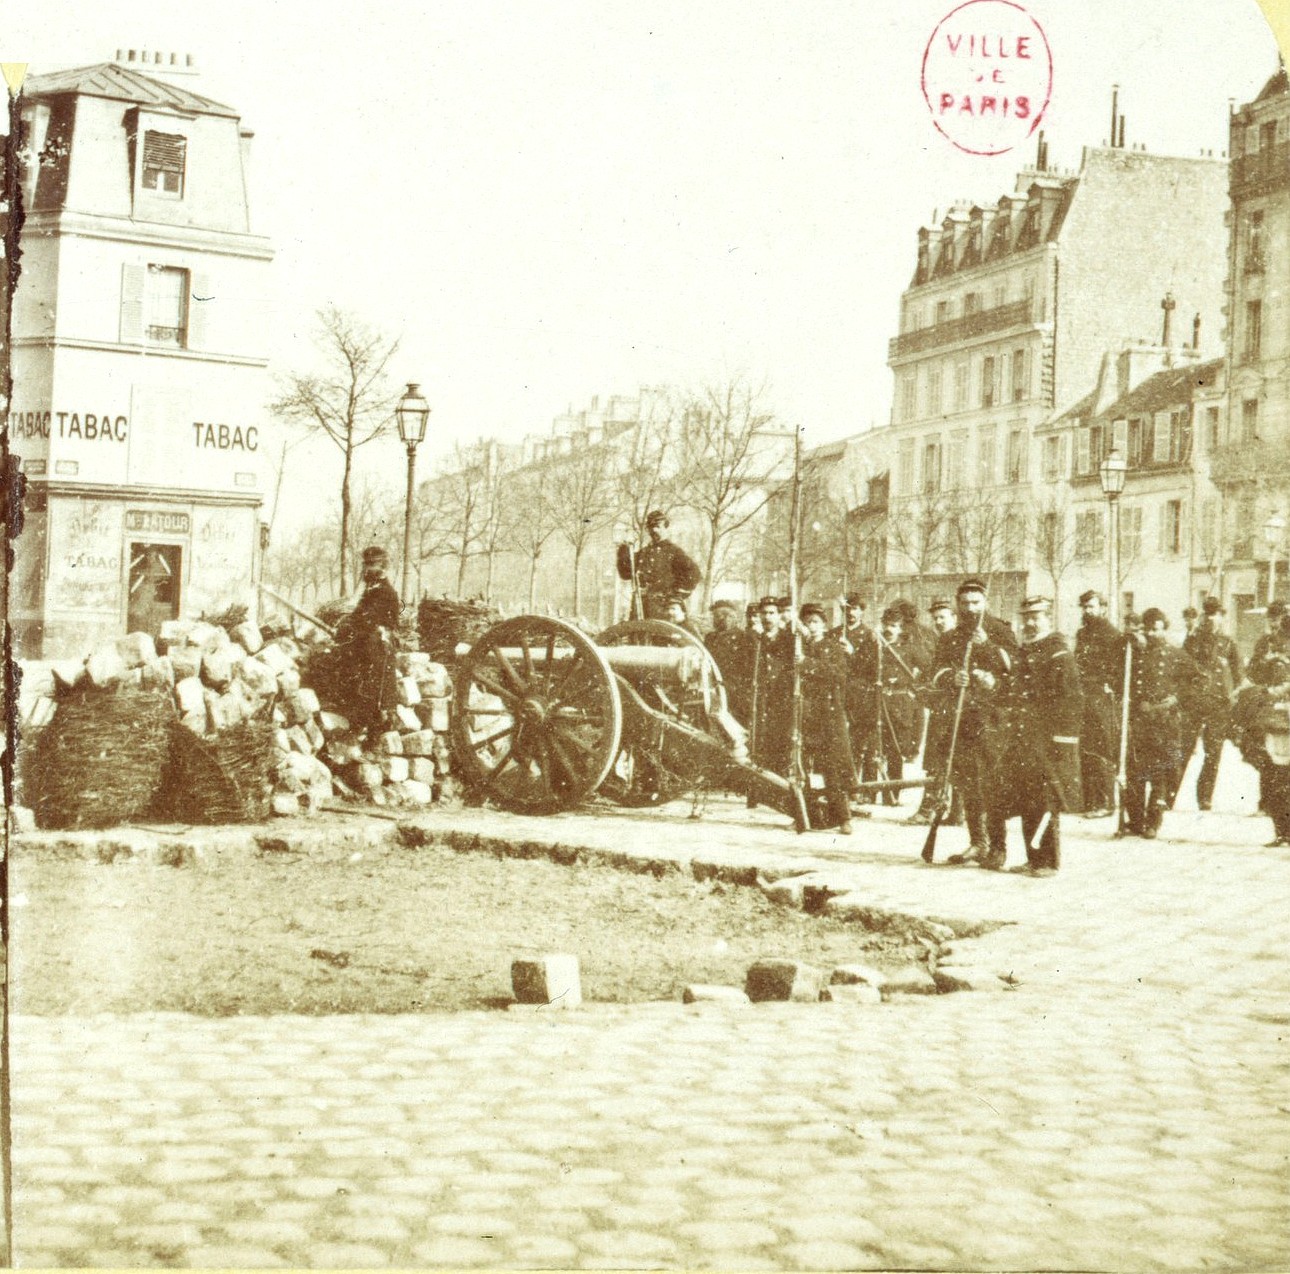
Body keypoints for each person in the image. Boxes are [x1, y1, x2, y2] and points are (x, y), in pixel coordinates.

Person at [932, 579, 1017, 868]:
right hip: (961, 718)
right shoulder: (950, 637)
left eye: (975, 603)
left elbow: (1016, 669)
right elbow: (936, 672)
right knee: (967, 782)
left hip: (992, 720)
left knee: (992, 784)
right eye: (965, 603)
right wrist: (952, 677)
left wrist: (990, 648)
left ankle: (998, 846)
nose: (970, 609)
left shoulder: (1000, 631)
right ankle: (977, 842)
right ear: (958, 604)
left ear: (986, 603)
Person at [1001, 597, 1082, 876]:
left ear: (1049, 618)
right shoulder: (1025, 651)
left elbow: (1071, 701)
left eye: (1036, 617)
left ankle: (1048, 861)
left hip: (1048, 739)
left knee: (1046, 798)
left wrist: (1063, 741)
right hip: (1024, 736)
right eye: (1026, 617)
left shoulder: (1058, 653)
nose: (1030, 623)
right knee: (1027, 796)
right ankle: (1033, 857)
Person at [1122, 607, 1199, 839]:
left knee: (1158, 772)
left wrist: (1177, 698)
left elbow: (1197, 681)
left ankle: (1153, 821)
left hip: (1165, 720)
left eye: (1159, 629)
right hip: (1140, 718)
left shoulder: (1176, 655)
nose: (1155, 634)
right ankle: (1135, 820)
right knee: (1134, 771)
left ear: (1164, 629)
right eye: (1150, 630)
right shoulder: (1135, 654)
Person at [1180, 596, 1243, 810]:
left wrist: (1231, 698)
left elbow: (1238, 676)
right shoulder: (1192, 641)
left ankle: (1205, 797)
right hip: (1195, 704)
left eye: (1215, 615)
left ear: (1221, 617)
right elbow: (1181, 672)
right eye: (1207, 614)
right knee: (1184, 748)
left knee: (1213, 752)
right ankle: (1170, 794)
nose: (1210, 619)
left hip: (1218, 705)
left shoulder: (1228, 643)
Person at [798, 602, 854, 834]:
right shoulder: (798, 647)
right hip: (804, 713)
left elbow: (838, 675)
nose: (812, 627)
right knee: (803, 766)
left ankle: (843, 817)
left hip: (827, 713)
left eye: (816, 622)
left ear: (823, 625)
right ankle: (805, 815)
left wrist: (806, 664)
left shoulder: (832, 646)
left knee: (831, 765)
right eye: (808, 622)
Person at [334, 545, 401, 738]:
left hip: (379, 649)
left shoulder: (386, 592)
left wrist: (352, 624)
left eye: (372, 565)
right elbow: (358, 616)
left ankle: (375, 737)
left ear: (383, 567)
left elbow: (369, 619)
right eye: (366, 564)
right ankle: (359, 728)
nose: (367, 569)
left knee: (377, 694)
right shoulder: (370, 589)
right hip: (366, 646)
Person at [910, 599, 964, 826]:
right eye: (936, 618)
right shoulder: (939, 640)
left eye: (943, 617)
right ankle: (932, 807)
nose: (939, 622)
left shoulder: (962, 641)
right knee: (935, 759)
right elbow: (933, 673)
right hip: (941, 707)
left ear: (954, 617)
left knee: (956, 760)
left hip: (958, 709)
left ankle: (953, 811)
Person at [1239, 608, 1290, 846]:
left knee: (1281, 778)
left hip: (1280, 722)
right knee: (1276, 777)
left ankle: (1284, 831)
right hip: (1276, 724)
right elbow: (1254, 678)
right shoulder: (1271, 657)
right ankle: (1282, 831)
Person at [1074, 590, 1124, 817]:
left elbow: (1118, 667)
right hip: (1084, 694)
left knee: (1102, 746)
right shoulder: (1082, 633)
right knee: (1085, 747)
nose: (1087, 611)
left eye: (1092, 607)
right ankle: (1089, 800)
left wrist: (1110, 685)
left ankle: (1105, 803)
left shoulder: (1112, 634)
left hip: (1103, 697)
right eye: (1085, 607)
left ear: (1103, 608)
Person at [873, 606, 923, 806]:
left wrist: (914, 688)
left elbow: (927, 669)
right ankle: (869, 793)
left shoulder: (909, 649)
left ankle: (892, 795)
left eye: (893, 626)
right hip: (879, 702)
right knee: (875, 749)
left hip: (901, 705)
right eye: (886, 624)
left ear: (901, 628)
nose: (889, 629)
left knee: (894, 750)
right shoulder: (876, 647)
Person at [832, 594, 880, 797]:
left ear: (862, 611)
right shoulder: (834, 634)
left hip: (860, 695)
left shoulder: (870, 636)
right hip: (838, 693)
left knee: (861, 742)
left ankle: (866, 790)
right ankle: (846, 787)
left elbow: (873, 668)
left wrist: (853, 653)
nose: (850, 613)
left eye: (855, 609)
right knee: (841, 742)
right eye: (847, 609)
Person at [616, 510, 702, 620]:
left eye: (657, 526)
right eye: (650, 527)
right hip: (640, 607)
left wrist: (675, 596)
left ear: (666, 527)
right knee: (637, 636)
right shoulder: (644, 553)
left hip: (663, 608)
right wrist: (624, 549)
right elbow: (625, 574)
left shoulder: (674, 552)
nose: (654, 530)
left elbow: (694, 574)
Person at [749, 595, 794, 777]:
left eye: (772, 613)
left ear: (779, 616)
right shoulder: (753, 639)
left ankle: (779, 783)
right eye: (764, 613)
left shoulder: (789, 639)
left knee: (781, 740)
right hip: (759, 696)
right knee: (759, 739)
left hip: (781, 697)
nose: (768, 617)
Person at [705, 599, 756, 727]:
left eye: (717, 616)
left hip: (735, 691)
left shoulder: (744, 638)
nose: (714, 620)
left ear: (727, 617)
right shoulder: (710, 638)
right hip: (713, 688)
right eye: (715, 616)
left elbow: (748, 668)